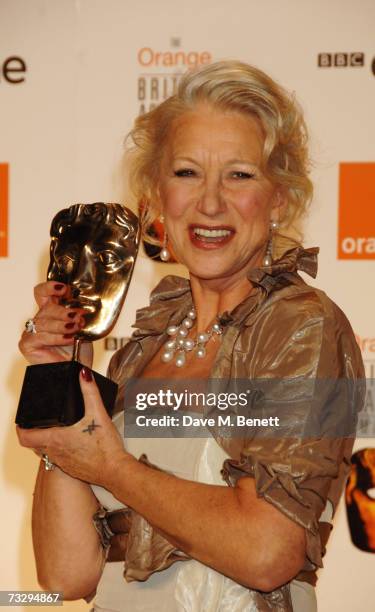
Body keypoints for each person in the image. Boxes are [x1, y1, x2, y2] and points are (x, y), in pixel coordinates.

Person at [17, 60, 364, 611]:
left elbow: (266, 550)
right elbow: (66, 574)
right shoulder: (140, 348)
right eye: (186, 172)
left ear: (278, 199)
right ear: (157, 195)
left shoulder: (301, 326)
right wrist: (61, 377)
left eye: (239, 174)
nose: (209, 202)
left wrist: (113, 468)